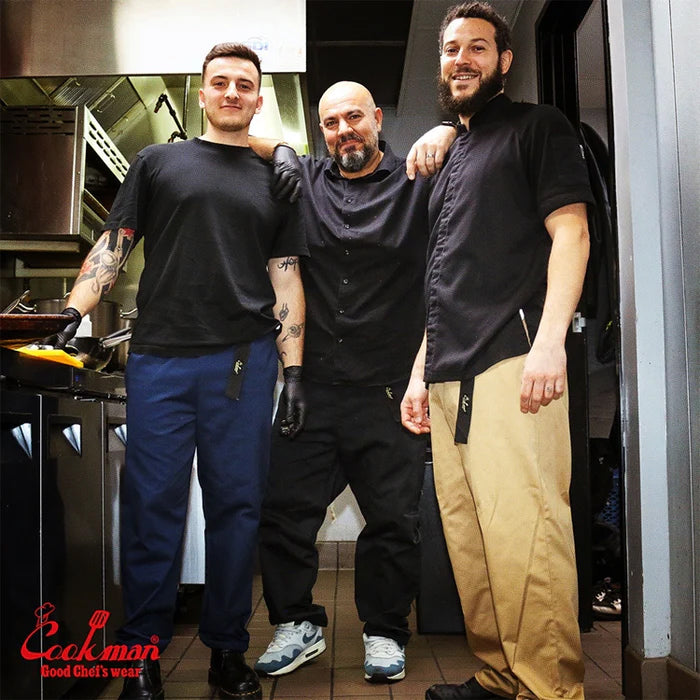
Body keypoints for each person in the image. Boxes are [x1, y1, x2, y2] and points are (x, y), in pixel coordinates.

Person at [52, 43, 307, 700]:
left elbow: (285, 276)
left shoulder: (276, 181)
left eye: (244, 84)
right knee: (151, 507)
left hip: (243, 363)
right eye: (219, 82)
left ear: (258, 98)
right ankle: (140, 654)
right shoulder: (157, 162)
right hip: (161, 360)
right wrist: (75, 310)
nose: (231, 92)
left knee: (237, 510)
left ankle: (227, 650)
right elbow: (116, 243)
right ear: (202, 92)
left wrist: (294, 372)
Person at [400, 3, 594, 699]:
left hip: (514, 363)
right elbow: (444, 278)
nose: (462, 59)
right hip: (451, 376)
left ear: (504, 62)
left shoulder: (539, 127)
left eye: (478, 47)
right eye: (452, 48)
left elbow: (571, 233)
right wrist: (420, 374)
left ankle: (550, 689)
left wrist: (550, 344)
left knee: (528, 535)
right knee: (474, 541)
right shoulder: (453, 154)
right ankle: (502, 675)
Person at [249, 81, 453, 684]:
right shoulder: (305, 181)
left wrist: (448, 129)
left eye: (355, 117)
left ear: (377, 118)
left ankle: (385, 631)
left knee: (393, 521)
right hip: (310, 388)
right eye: (332, 122)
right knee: (284, 513)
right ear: (322, 131)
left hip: (389, 392)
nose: (345, 131)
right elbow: (237, 140)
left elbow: (480, 138)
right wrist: (279, 150)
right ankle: (297, 623)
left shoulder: (417, 183)